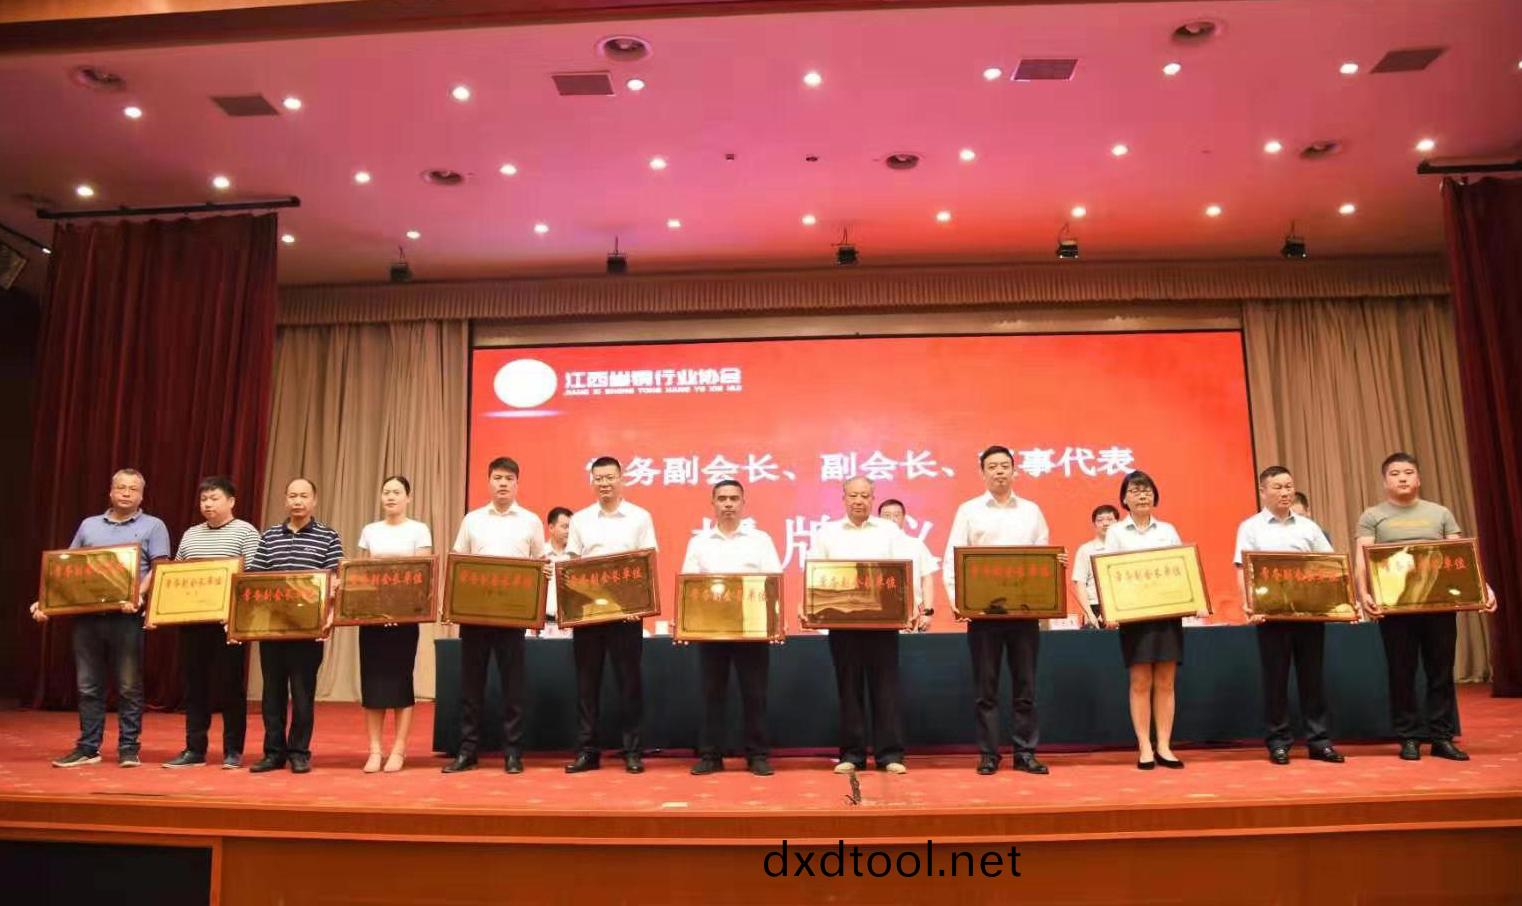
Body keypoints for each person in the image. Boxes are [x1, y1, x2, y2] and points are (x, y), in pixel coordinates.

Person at [1355, 452, 1496, 761]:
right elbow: (1363, 560)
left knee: (1441, 671)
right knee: (1401, 672)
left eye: (1408, 472)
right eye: (1394, 473)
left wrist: (1482, 586)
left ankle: (1442, 737)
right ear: (1385, 481)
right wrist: (1363, 592)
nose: (1402, 478)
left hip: (1439, 606)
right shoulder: (1373, 516)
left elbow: (1461, 557)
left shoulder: (1440, 513)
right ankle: (1408, 737)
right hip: (1395, 609)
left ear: (1418, 478)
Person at [32, 469, 170, 768]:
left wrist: (138, 595)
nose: (126, 493)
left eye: (133, 489)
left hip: (126, 617)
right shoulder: (89, 525)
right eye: (121, 487)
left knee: (129, 686)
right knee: (88, 685)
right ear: (110, 491)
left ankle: (129, 747)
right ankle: (88, 747)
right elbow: (66, 568)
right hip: (87, 617)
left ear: (141, 496)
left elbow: (160, 566)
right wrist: (46, 602)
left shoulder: (153, 525)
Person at [942, 445, 1060, 776]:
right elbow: (953, 558)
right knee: (986, 690)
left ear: (1014, 470)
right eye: (992, 466)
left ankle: (1025, 753)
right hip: (984, 614)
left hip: (1024, 612)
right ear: (982, 473)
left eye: (1004, 465)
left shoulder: (1031, 511)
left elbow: (1042, 556)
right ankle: (989, 754)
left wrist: (1055, 565)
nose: (999, 471)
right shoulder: (969, 511)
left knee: (1026, 688)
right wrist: (958, 601)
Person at [807, 476, 921, 775]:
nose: (859, 500)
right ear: (843, 498)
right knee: (849, 688)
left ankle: (890, 754)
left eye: (865, 496)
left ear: (873, 499)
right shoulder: (827, 533)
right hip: (842, 622)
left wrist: (911, 605)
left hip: (883, 622)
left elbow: (905, 570)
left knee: (886, 688)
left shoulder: (888, 531)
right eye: (853, 495)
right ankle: (852, 754)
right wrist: (810, 608)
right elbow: (814, 574)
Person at [1234, 466, 1345, 765]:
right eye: (1278, 487)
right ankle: (1278, 742)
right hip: (1271, 616)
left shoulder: (1309, 527)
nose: (1285, 493)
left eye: (1288, 486)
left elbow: (1330, 565)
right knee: (1276, 680)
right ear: (1263, 491)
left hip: (1309, 613)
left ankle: (1319, 741)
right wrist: (1249, 605)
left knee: (1313, 678)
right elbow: (1243, 569)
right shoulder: (1251, 527)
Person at [443, 457, 545, 775]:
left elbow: (540, 565)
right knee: (471, 686)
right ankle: (467, 750)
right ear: (489, 482)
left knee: (513, 687)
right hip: (476, 616)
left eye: (509, 478)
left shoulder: (531, 521)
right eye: (498, 477)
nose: (503, 483)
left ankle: (513, 752)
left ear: (517, 484)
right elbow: (458, 563)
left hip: (513, 617)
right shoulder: (472, 520)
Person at [682, 479, 784, 777]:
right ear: (712, 503)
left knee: (755, 693)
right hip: (711, 629)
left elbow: (773, 581)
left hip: (752, 627)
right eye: (722, 498)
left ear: (743, 503)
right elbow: (689, 583)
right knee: (711, 693)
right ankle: (710, 755)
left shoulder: (760, 540)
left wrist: (775, 621)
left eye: (734, 498)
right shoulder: (699, 542)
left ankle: (757, 755)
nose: (728, 504)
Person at [1102, 470, 1201, 770]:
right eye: (1135, 490)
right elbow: (1109, 573)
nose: (1142, 495)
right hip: (1134, 616)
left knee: (1166, 681)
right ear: (1124, 499)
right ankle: (1144, 745)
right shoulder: (1116, 532)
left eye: (1147, 490)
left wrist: (1194, 599)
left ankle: (1165, 746)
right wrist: (1111, 610)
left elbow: (1182, 569)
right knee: (1140, 680)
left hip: (1166, 614)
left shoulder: (1167, 530)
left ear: (1155, 496)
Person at [564, 456, 658, 774]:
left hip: (627, 615)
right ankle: (587, 752)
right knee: (586, 684)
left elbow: (646, 563)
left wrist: (639, 606)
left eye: (610, 477)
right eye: (599, 478)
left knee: (629, 683)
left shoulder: (640, 517)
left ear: (621, 479)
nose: (605, 483)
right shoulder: (580, 520)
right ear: (592, 481)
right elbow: (572, 566)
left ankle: (632, 751)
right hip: (589, 615)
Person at [162, 476, 261, 770]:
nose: (207, 504)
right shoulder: (191, 534)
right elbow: (176, 575)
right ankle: (194, 749)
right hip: (193, 622)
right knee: (195, 687)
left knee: (230, 687)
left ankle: (233, 751)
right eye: (204, 499)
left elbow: (252, 577)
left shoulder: (246, 532)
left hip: (228, 623)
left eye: (214, 498)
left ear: (231, 501)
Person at [248, 478, 343, 775]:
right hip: (272, 628)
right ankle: (273, 753)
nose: (298, 501)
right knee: (272, 694)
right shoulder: (269, 536)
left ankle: (299, 752)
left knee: (303, 694)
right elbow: (255, 577)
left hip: (308, 628)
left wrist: (326, 612)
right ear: (285, 500)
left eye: (303, 496)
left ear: (314, 501)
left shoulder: (328, 536)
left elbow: (334, 579)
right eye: (292, 496)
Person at [355, 475, 433, 774]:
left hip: (405, 618)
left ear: (408, 498)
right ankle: (375, 749)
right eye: (386, 492)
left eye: (396, 492)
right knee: (372, 683)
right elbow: (361, 575)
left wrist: (399, 609)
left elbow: (422, 573)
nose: (390, 497)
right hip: (373, 618)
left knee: (401, 682)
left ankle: (399, 749)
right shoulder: (370, 530)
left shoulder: (419, 530)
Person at [876, 499, 938, 632]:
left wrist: (927, 613)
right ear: (878, 519)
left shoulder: (916, 545)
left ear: (904, 518)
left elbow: (927, 579)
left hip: (912, 615)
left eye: (896, 515)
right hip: (878, 614)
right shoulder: (871, 545)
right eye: (886, 515)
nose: (891, 519)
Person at [1071, 505, 1120, 628]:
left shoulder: (1124, 548)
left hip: (1121, 605)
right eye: (1100, 520)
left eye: (1110, 519)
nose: (1105, 523)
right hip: (1095, 606)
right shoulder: (1086, 550)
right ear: (1094, 524)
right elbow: (1080, 583)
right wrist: (1089, 614)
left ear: (1117, 522)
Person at [539, 506, 574, 639]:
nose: (568, 531)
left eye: (571, 527)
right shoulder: (539, 555)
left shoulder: (576, 556)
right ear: (551, 528)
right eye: (565, 527)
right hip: (542, 626)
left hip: (571, 626)